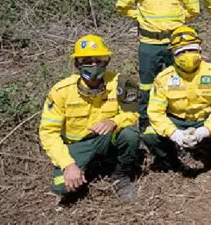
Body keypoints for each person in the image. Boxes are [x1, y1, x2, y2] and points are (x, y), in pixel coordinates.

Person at [38, 35, 139, 202]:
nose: (94, 66)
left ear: (107, 61)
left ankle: (120, 176)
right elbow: (48, 133)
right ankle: (80, 167)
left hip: (105, 138)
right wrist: (68, 164)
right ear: (77, 64)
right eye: (87, 61)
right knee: (63, 187)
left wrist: (114, 122)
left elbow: (133, 113)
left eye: (99, 61)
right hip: (77, 145)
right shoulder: (61, 91)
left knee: (130, 134)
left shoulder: (120, 82)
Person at [116, 0, 200, 131]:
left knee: (177, 82)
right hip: (148, 44)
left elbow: (193, 9)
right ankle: (146, 122)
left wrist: (177, 22)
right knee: (146, 85)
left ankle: (174, 120)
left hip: (175, 44)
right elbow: (121, 6)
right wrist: (139, 16)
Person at [141, 26, 211, 173]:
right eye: (181, 52)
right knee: (149, 135)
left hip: (205, 118)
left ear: (200, 50)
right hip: (177, 120)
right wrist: (173, 133)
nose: (187, 55)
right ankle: (171, 159)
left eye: (191, 50)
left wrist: (206, 129)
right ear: (173, 55)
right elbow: (155, 112)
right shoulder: (164, 78)